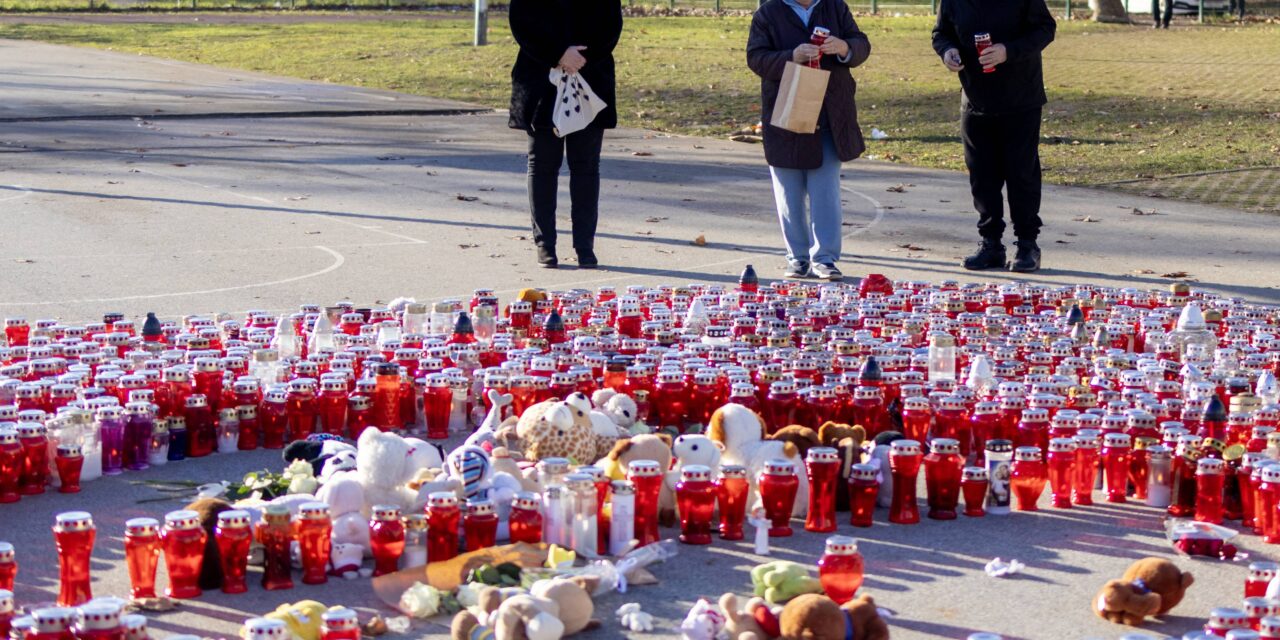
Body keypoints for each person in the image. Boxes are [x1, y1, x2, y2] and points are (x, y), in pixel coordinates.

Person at [747, 0, 871, 282]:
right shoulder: (768, 13)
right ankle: (798, 258)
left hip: (829, 114)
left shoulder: (835, 7)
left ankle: (825, 258)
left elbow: (861, 45)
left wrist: (843, 48)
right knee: (788, 192)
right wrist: (792, 55)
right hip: (786, 112)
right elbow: (755, 58)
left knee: (825, 190)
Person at [933, 0, 1056, 273]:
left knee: (1020, 174)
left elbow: (1045, 29)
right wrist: (948, 51)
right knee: (982, 176)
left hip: (1020, 99)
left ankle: (1027, 245)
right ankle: (991, 245)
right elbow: (941, 33)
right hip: (976, 101)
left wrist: (1007, 51)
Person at [508, 0, 623, 269]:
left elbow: (611, 25)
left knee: (586, 167)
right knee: (542, 165)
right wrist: (558, 54)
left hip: (590, 77)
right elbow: (522, 21)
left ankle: (585, 246)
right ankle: (545, 244)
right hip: (539, 79)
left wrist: (581, 58)